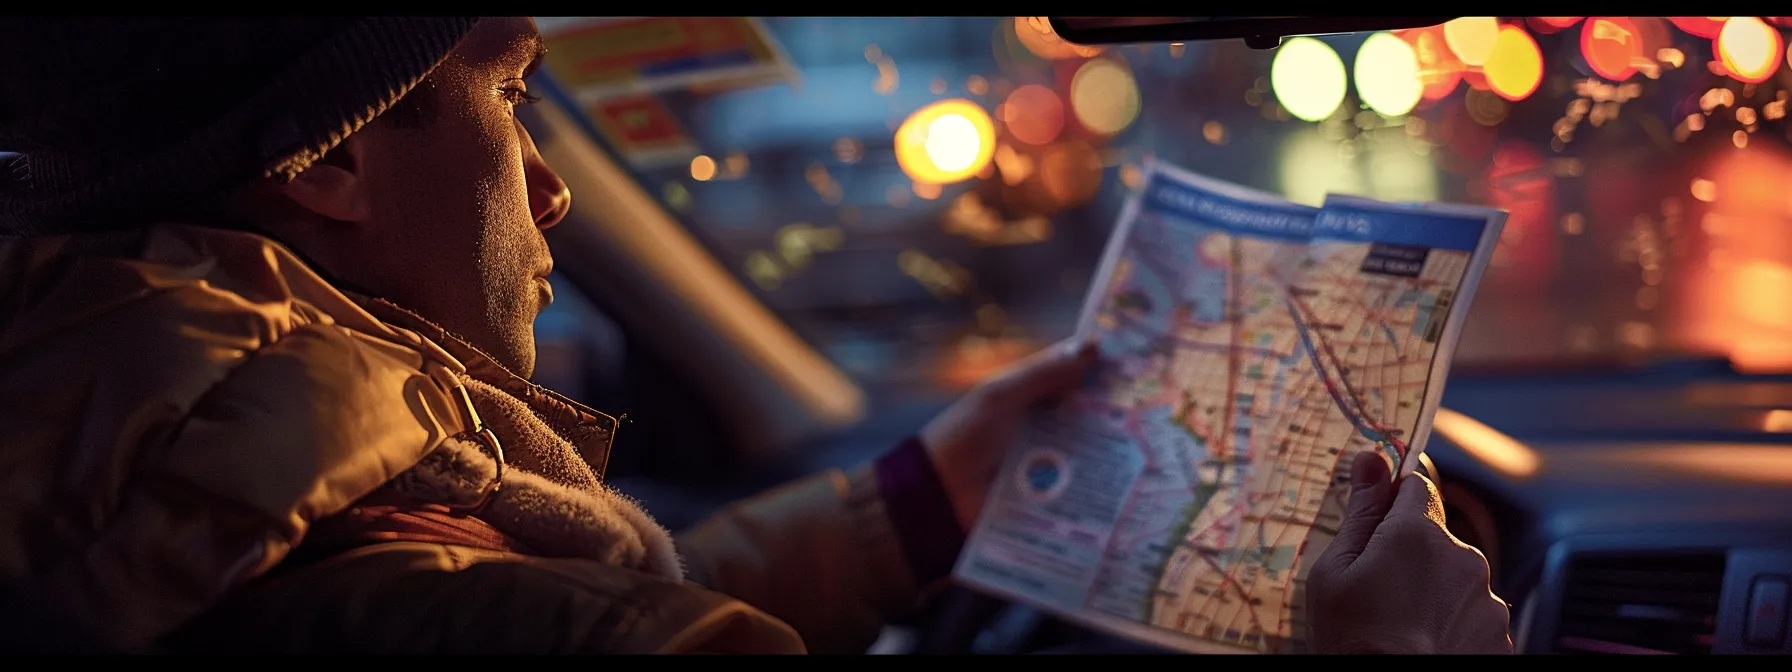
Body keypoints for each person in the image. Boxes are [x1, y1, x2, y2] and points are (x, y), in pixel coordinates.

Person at [0, 17, 1511, 654]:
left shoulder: (116, 418)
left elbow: (601, 590)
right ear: (331, 153)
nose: (551, 186)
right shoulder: (420, 590)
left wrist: (924, 497)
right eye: (513, 93)